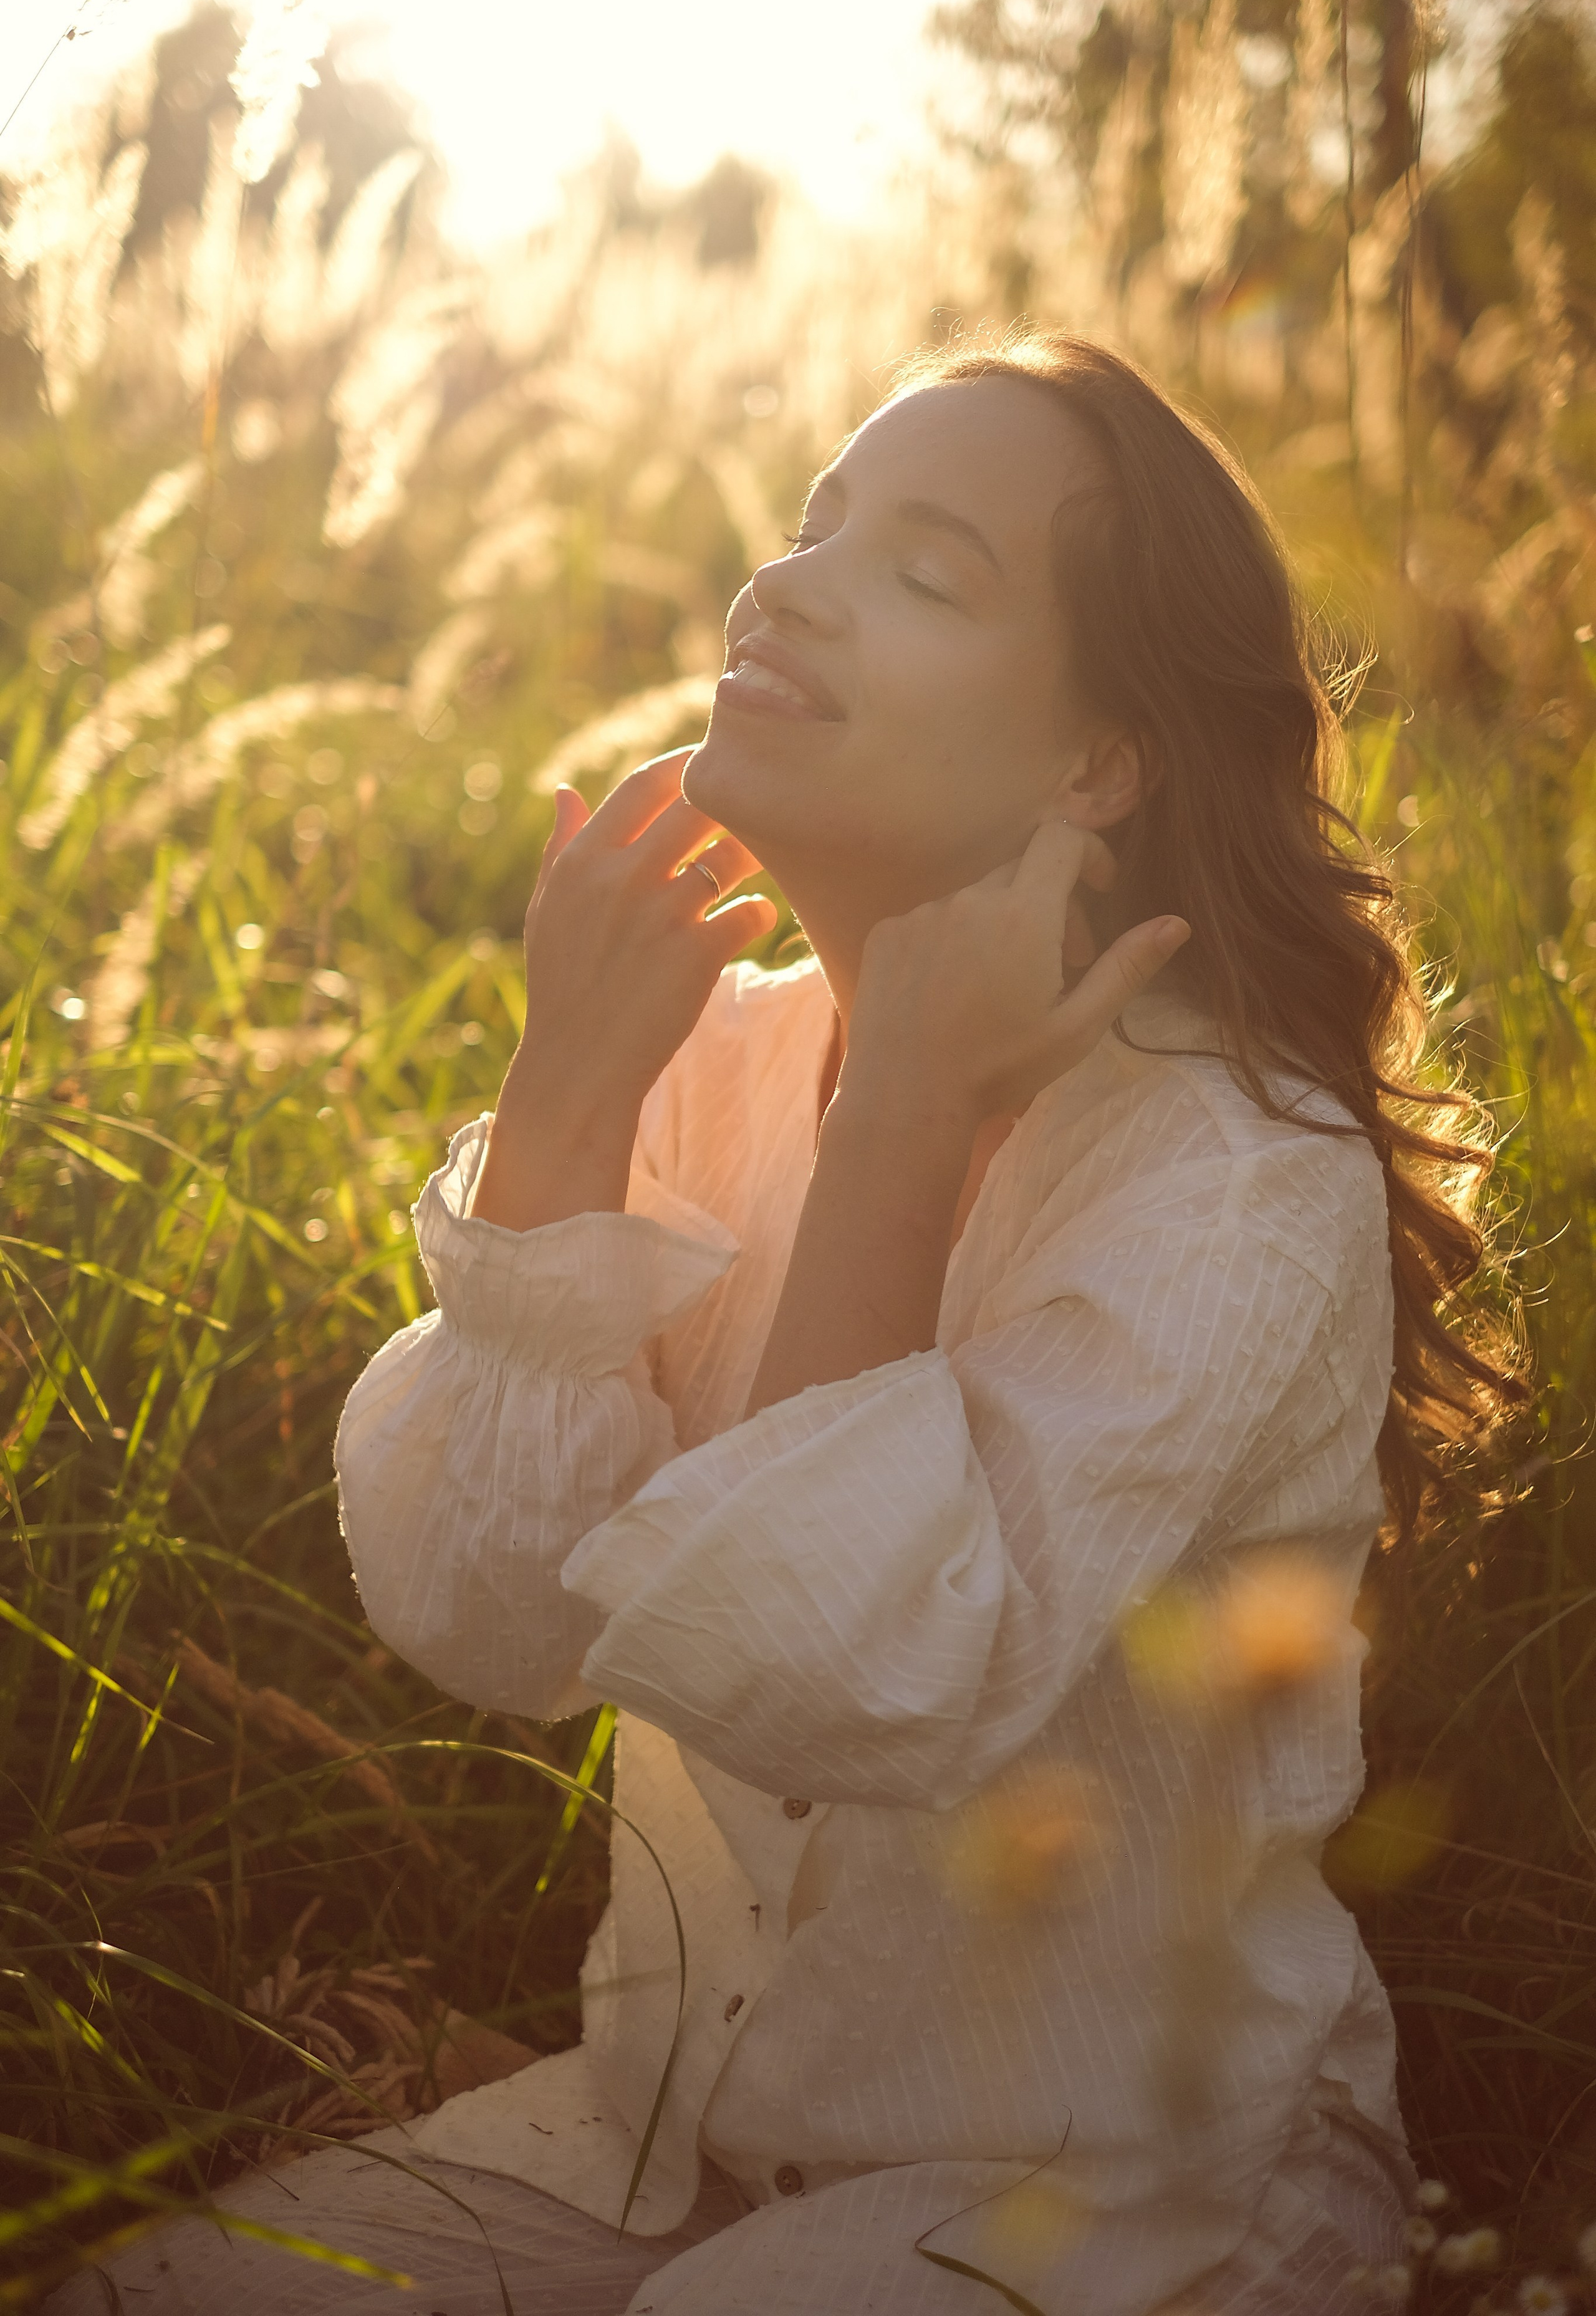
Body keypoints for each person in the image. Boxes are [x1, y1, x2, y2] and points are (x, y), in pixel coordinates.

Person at [52, 334, 1519, 2315]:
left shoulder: (1234, 1179)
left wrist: (909, 1125)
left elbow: (830, 1694)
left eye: (925, 573)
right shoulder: (714, 1063)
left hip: (1121, 2182)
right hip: (680, 2144)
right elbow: (492, 1628)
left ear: (1097, 765)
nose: (787, 586)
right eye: (814, 526)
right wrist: (566, 1092)